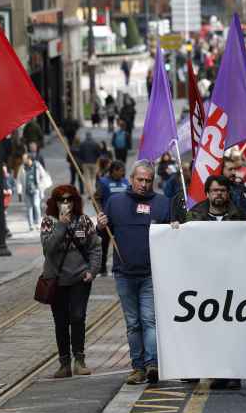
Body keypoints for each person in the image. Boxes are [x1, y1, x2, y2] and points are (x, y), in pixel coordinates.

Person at [97, 160, 171, 386]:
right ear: (131, 179)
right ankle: (137, 367)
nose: (144, 184)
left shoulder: (163, 203)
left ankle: (152, 364)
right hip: (124, 273)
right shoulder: (115, 202)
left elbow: (172, 238)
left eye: (148, 180)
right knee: (133, 323)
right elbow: (102, 237)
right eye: (140, 179)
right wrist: (100, 227)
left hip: (151, 272)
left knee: (149, 320)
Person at [184, 175, 246, 390]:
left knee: (233, 330)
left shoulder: (240, 217)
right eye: (214, 190)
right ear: (207, 193)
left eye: (222, 190)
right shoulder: (194, 216)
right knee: (210, 330)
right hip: (205, 284)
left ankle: (234, 373)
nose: (218, 194)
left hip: (232, 283)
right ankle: (218, 372)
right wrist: (174, 230)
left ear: (227, 193)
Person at [40, 185, 101, 378]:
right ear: (55, 202)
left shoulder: (83, 221)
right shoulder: (49, 222)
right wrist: (61, 225)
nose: (65, 203)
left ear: (75, 201)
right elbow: (48, 249)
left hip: (79, 279)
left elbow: (95, 247)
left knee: (77, 317)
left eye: (69, 199)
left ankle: (80, 360)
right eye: (61, 200)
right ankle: (64, 363)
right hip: (56, 280)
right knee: (60, 322)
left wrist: (92, 271)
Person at [95, 161, 129, 275]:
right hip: (107, 220)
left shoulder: (125, 182)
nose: (123, 173)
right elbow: (97, 199)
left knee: (122, 244)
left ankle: (119, 267)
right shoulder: (103, 182)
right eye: (121, 171)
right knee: (103, 244)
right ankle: (102, 267)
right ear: (114, 171)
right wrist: (100, 213)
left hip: (122, 220)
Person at [21, 153, 44, 232]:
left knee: (36, 205)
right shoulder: (22, 167)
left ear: (29, 159)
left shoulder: (37, 166)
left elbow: (43, 175)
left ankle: (38, 223)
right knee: (29, 208)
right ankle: (31, 225)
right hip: (27, 190)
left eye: (24, 159)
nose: (23, 160)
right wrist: (19, 190)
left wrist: (40, 185)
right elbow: (19, 179)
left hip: (36, 189)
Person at [78, 133, 101, 199]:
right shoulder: (95, 144)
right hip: (94, 163)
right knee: (93, 178)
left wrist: (82, 161)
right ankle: (93, 191)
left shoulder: (82, 144)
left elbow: (80, 154)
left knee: (87, 179)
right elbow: (99, 154)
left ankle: (90, 193)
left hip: (85, 163)